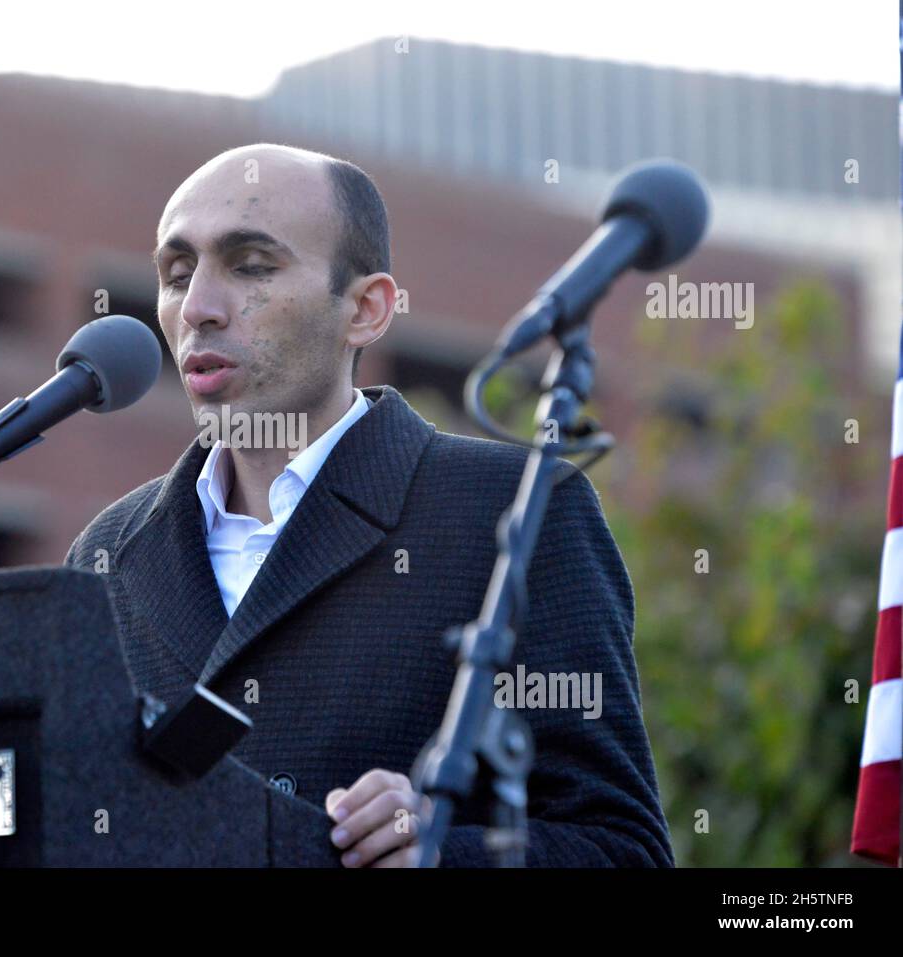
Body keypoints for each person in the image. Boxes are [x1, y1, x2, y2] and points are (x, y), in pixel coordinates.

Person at [65, 143, 672, 867]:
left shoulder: (515, 511)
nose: (197, 307)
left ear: (366, 309)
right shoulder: (109, 551)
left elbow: (623, 848)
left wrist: (440, 847)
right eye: (175, 273)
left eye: (252, 265)